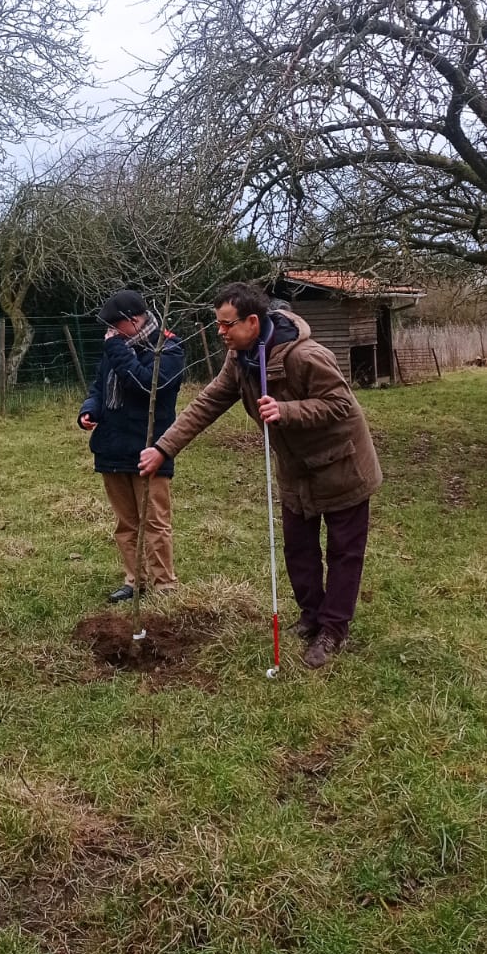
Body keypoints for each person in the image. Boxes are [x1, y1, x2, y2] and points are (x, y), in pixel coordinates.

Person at [139, 282, 382, 668]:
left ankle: (334, 630)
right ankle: (311, 616)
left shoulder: (308, 356)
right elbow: (207, 402)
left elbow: (340, 403)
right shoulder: (240, 359)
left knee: (343, 552)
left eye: (227, 324)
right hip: (296, 470)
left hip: (343, 465)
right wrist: (164, 448)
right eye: (217, 324)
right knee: (298, 549)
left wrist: (287, 411)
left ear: (252, 321)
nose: (220, 332)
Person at [78, 289, 185, 602]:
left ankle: (164, 585)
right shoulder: (116, 348)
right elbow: (99, 387)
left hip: (149, 450)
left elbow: (146, 386)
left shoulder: (167, 348)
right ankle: (135, 580)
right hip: (112, 448)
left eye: (116, 325)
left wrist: (116, 349)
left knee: (154, 522)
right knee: (126, 524)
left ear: (135, 320)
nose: (110, 331)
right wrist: (89, 409)